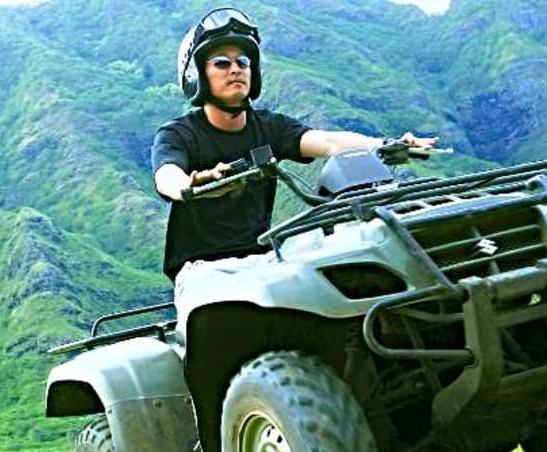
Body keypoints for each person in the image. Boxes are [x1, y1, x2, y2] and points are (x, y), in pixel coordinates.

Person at [152, 7, 437, 281]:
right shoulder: (179, 134)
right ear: (197, 74)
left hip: (261, 261)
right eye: (222, 63)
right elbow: (167, 176)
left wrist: (383, 145)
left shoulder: (270, 127)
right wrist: (195, 184)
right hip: (200, 270)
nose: (236, 69)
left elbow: (326, 141)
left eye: (244, 62)